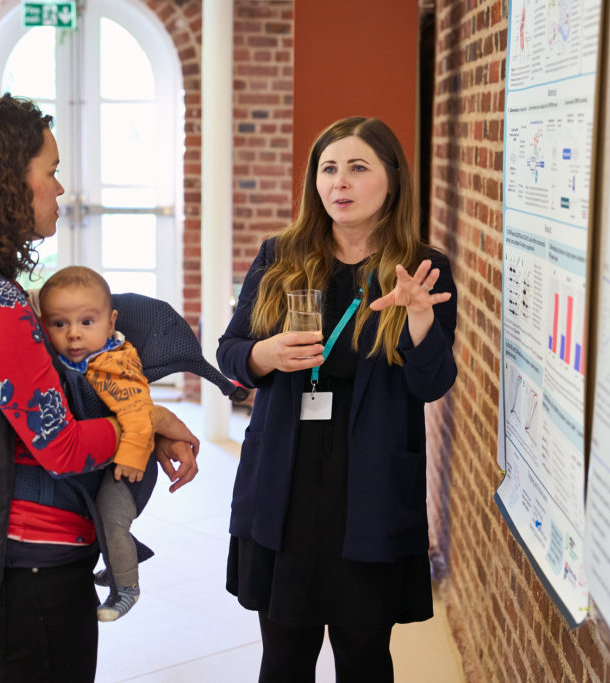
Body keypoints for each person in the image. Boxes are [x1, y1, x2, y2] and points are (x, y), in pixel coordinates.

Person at [0, 94, 199, 682]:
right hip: (25, 567)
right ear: (8, 182)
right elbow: (60, 449)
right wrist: (147, 423)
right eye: (52, 171)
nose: (60, 188)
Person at [216, 116, 458, 683]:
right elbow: (230, 356)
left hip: (370, 489)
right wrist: (265, 355)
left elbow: (432, 385)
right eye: (328, 169)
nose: (339, 183)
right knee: (284, 655)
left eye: (357, 168)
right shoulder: (281, 255)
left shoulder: (421, 269)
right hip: (287, 484)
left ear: (391, 181)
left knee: (364, 655)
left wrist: (419, 315)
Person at [38, 265, 153, 622]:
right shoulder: (72, 359)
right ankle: (121, 560)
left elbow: (139, 414)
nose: (73, 335)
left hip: (130, 461)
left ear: (110, 320)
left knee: (110, 516)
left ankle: (127, 588)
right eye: (60, 324)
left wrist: (132, 458)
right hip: (106, 453)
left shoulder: (113, 365)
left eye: (87, 322)